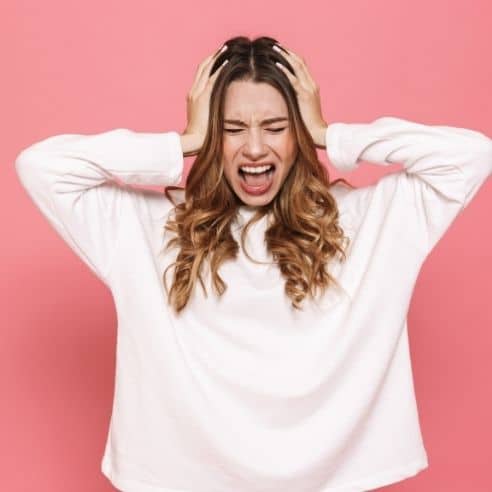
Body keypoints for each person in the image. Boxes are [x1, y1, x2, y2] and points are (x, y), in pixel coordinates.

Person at [15, 35, 491, 492]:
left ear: (298, 133)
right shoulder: (150, 227)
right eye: (232, 128)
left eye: (277, 127)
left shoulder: (363, 222)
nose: (256, 148)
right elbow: (41, 166)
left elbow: (472, 156)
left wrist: (330, 134)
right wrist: (181, 141)